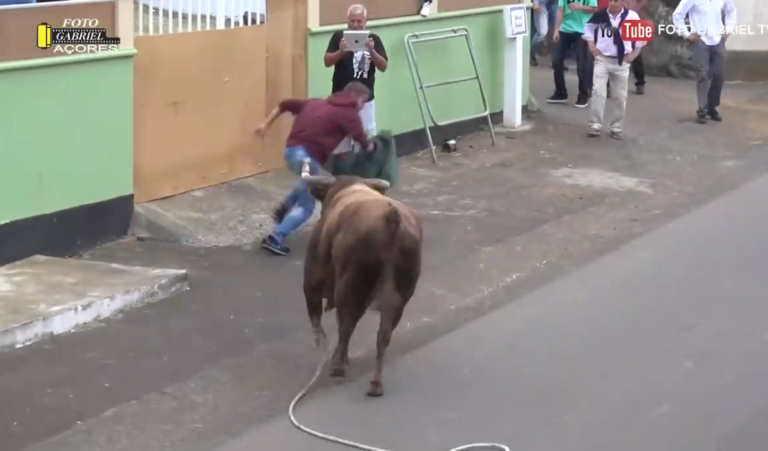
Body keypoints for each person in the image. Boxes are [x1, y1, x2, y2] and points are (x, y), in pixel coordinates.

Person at [254, 82, 375, 256]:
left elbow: (284, 104)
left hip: (291, 153)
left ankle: (286, 206)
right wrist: (373, 147)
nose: (363, 106)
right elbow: (363, 141)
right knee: (307, 205)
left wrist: (265, 125)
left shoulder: (315, 103)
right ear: (355, 97)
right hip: (307, 158)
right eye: (363, 101)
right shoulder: (349, 113)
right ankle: (277, 237)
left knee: (308, 183)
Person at [324, 4, 388, 155]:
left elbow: (383, 66)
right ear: (347, 21)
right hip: (340, 100)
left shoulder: (374, 39)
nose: (355, 25)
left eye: (359, 21)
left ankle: (364, 173)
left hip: (365, 101)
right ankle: (342, 173)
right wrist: (341, 51)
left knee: (366, 138)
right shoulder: (339, 37)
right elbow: (327, 61)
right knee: (340, 139)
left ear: (365, 21)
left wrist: (372, 51)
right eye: (352, 21)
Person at [583, 0, 644, 139]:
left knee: (620, 96)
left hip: (622, 61)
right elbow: (588, 29)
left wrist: (634, 54)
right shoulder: (600, 15)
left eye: (616, 0)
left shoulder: (632, 17)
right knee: (598, 92)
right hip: (603, 59)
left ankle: (616, 127)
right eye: (610, 0)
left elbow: (641, 38)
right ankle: (595, 125)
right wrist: (592, 45)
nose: (612, 3)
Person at [673, 0, 737, 124]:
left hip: (718, 39)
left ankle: (711, 107)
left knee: (719, 74)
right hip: (700, 40)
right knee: (703, 74)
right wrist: (686, 34)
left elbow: (731, 11)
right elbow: (678, 15)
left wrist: (728, 30)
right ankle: (702, 110)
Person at [547, 0, 598, 108]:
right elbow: (560, 10)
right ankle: (560, 92)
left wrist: (580, 6)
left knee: (582, 64)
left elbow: (593, 9)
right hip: (565, 29)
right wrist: (556, 29)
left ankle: (583, 95)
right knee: (556, 60)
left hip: (582, 30)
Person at [530, 0, 549, 66]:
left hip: (556, 3)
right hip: (541, 3)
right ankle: (529, 53)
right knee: (542, 33)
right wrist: (536, 2)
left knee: (557, 30)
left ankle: (557, 61)